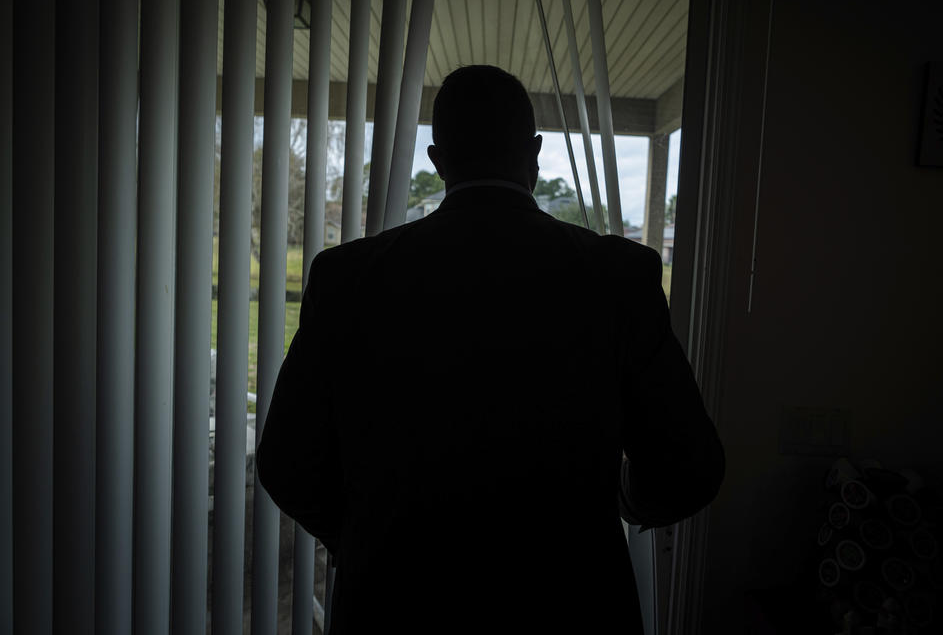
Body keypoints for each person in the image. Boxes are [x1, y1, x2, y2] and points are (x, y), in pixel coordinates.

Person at [256, 65, 725, 634]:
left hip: (394, 608)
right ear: (533, 153)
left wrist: (364, 536)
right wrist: (625, 498)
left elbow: (285, 463)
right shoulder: (619, 276)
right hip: (572, 607)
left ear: (437, 159)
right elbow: (691, 467)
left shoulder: (347, 278)